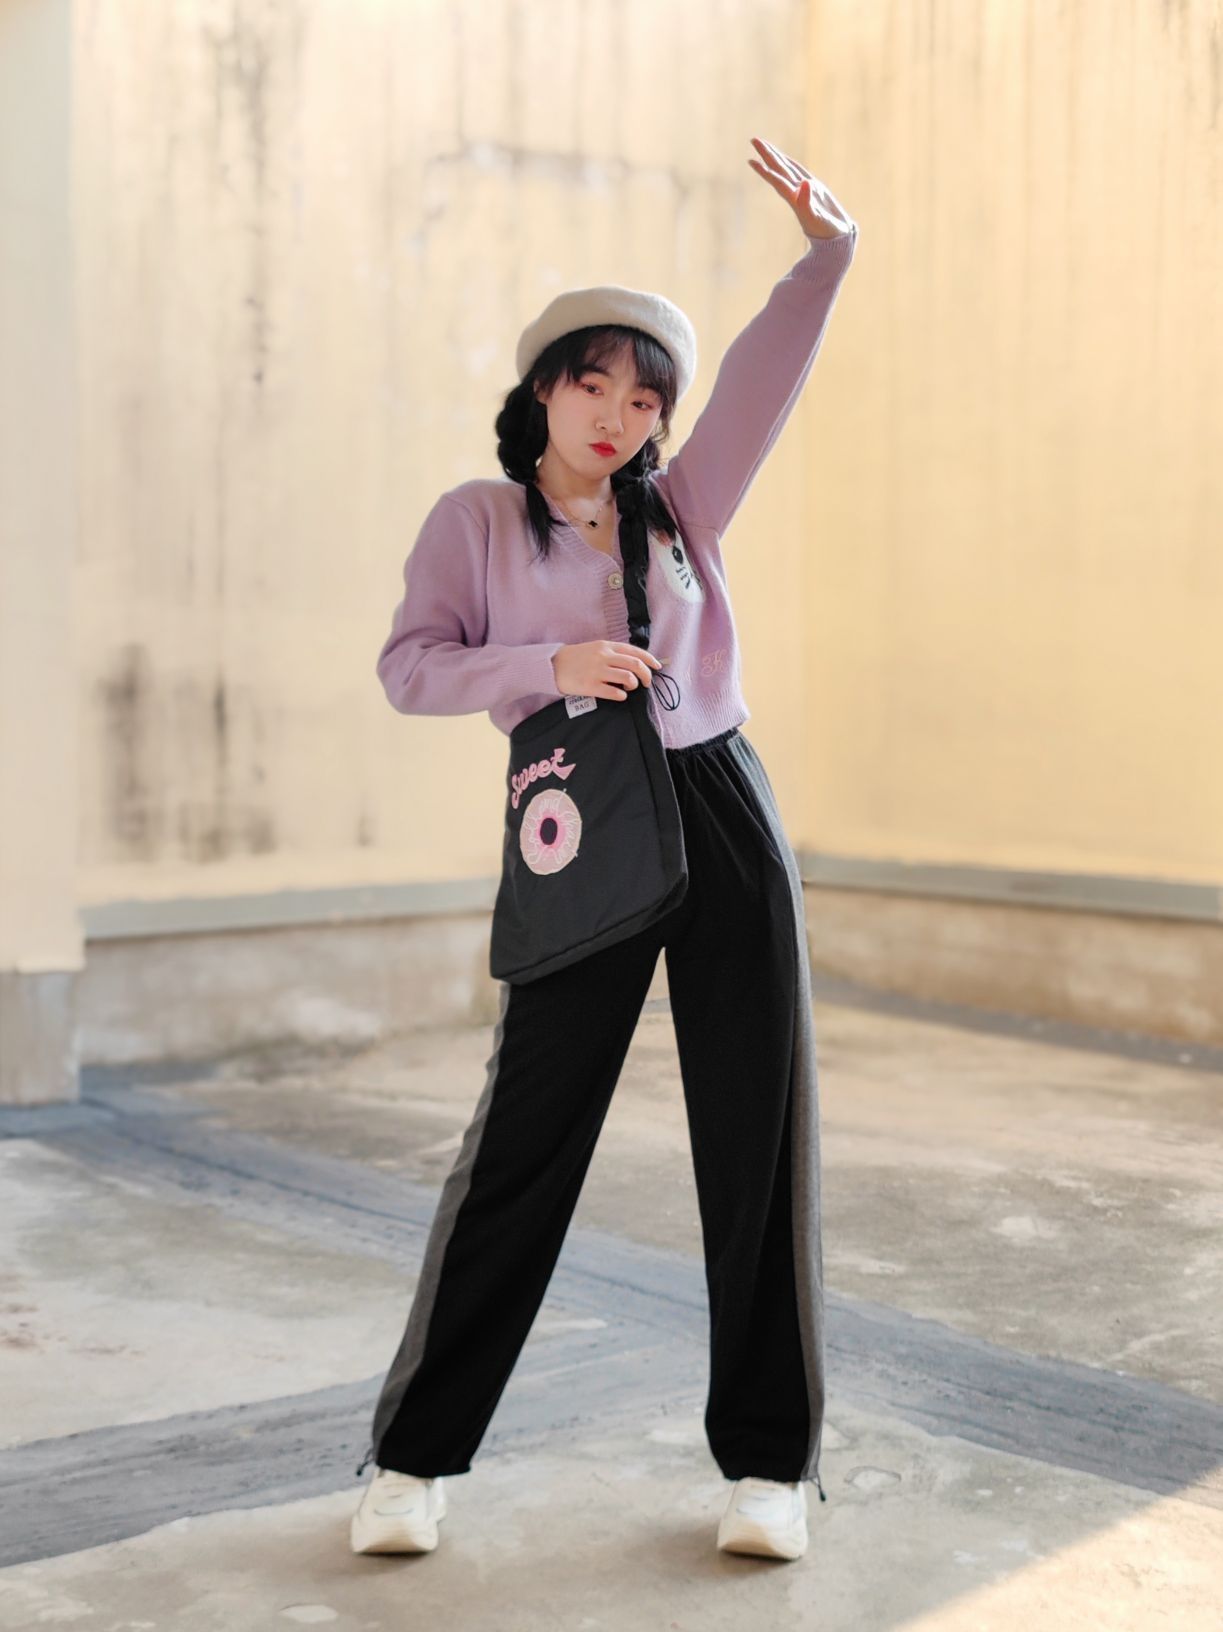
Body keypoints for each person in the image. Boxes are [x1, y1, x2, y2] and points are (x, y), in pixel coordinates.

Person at [350, 135, 859, 1563]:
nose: (620, 415)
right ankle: (412, 1460)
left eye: (645, 398)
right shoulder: (477, 523)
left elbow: (762, 379)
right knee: (526, 1138)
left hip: (721, 803)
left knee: (758, 1131)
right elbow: (410, 666)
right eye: (595, 383)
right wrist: (550, 664)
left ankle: (770, 1467)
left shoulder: (681, 507)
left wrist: (828, 259)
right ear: (544, 388)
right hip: (581, 816)